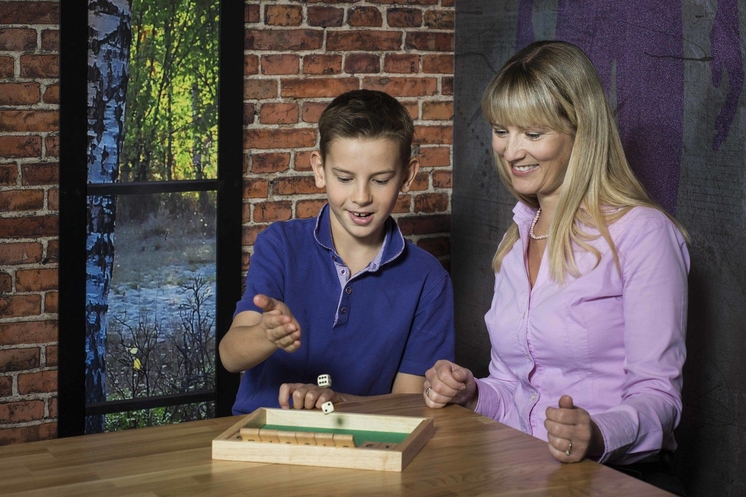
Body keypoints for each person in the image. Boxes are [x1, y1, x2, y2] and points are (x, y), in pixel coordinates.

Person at [423, 41, 690, 473]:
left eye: (533, 133)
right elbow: (513, 387)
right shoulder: (513, 242)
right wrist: (472, 394)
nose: (511, 152)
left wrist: (597, 432)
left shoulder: (643, 234)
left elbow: (659, 398)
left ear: (580, 132)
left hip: (614, 475)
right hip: (521, 468)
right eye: (502, 130)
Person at [220, 89, 455, 415]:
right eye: (344, 178)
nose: (361, 197)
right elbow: (230, 357)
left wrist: (341, 403)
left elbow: (411, 405)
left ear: (407, 176)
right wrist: (266, 334)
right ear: (320, 170)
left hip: (361, 447)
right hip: (259, 438)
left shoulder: (429, 280)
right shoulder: (280, 245)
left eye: (381, 180)